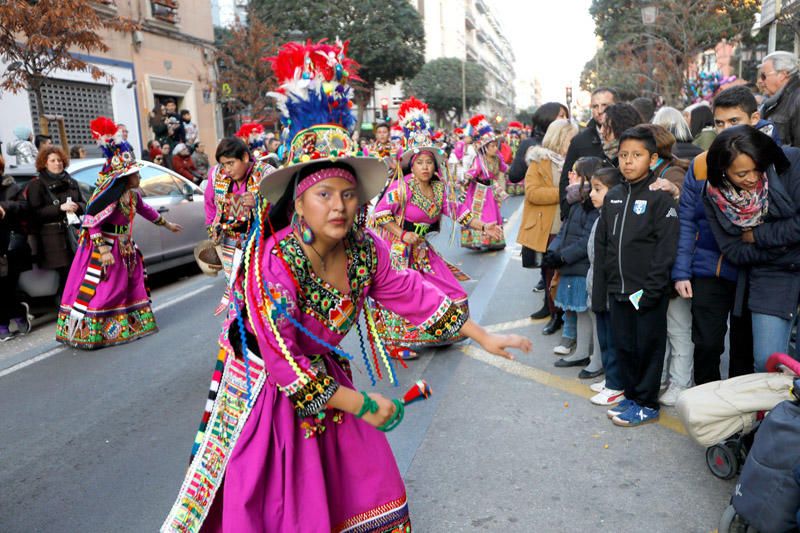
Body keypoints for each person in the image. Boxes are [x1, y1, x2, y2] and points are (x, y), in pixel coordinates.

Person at [161, 39, 531, 533]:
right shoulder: (276, 263)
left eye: (349, 194)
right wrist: (363, 404)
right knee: (283, 507)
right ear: (298, 202)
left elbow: (414, 294)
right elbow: (284, 363)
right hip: (270, 392)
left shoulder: (364, 250)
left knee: (369, 488)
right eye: (324, 194)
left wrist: (483, 336)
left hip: (329, 380)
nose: (339, 206)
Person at [368, 97, 501, 359]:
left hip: (421, 249)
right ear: (411, 165)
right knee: (401, 293)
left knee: (451, 290)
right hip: (397, 249)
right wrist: (402, 234)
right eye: (419, 162)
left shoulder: (440, 189)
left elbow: (459, 212)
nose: (425, 167)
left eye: (429, 162)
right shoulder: (401, 187)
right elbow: (380, 214)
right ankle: (395, 343)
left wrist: (484, 226)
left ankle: (442, 331)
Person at [672, 85, 778, 386]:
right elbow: (688, 220)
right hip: (708, 268)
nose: (725, 129)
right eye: (719, 123)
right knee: (706, 345)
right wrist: (681, 271)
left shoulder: (771, 159)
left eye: (734, 122)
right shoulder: (702, 163)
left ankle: (738, 420)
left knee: (744, 352)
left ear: (755, 118)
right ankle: (708, 414)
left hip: (752, 269)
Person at [56, 117, 182, 349]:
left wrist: (167, 224)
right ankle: (97, 331)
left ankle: (129, 324)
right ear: (124, 179)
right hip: (106, 248)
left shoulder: (132, 196)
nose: (140, 178)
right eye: (136, 174)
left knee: (130, 285)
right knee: (107, 288)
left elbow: (146, 211)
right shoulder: (110, 199)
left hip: (125, 247)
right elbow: (91, 221)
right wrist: (103, 251)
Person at [593, 126, 679, 427]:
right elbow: (604, 246)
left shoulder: (659, 196)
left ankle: (646, 403)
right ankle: (631, 396)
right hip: (618, 290)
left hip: (645, 292)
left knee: (648, 349)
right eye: (623, 155)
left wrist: (651, 291)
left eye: (637, 155)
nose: (628, 162)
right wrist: (604, 289)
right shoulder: (614, 196)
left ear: (653, 159)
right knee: (625, 346)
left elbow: (665, 249)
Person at [702, 126, 800, 371]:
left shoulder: (792, 162)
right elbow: (734, 250)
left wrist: (757, 235)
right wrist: (785, 245)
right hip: (770, 276)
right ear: (722, 171)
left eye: (758, 168)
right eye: (741, 174)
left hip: (780, 261)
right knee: (767, 362)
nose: (752, 178)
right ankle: (772, 411)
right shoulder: (715, 196)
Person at [641, 124, 694, 406]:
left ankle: (681, 382)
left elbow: (687, 207)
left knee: (678, 329)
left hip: (673, 266)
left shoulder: (670, 172)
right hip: (656, 268)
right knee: (659, 327)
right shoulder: (650, 172)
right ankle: (662, 377)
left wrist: (674, 190)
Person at [518, 119, 578, 334]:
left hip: (571, 227)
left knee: (570, 276)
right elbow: (532, 193)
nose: (574, 143)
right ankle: (555, 316)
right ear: (559, 138)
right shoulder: (539, 161)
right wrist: (565, 191)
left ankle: (569, 317)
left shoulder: (575, 162)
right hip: (548, 230)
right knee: (550, 275)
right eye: (571, 139)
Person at [544, 156, 603, 367]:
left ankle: (593, 357)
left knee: (586, 312)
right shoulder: (576, 203)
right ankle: (581, 352)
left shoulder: (591, 207)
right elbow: (565, 231)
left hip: (582, 267)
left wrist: (562, 255)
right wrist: (552, 252)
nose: (570, 176)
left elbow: (586, 240)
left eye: (575, 173)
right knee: (578, 312)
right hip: (571, 265)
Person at [204, 137, 273, 315]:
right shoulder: (216, 174)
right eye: (223, 165)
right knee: (236, 287)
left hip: (261, 242)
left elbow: (283, 205)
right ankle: (237, 328)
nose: (226, 170)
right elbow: (210, 204)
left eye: (230, 163)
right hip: (229, 243)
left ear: (244, 157)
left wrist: (259, 202)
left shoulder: (266, 173)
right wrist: (212, 228)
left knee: (262, 286)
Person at [586, 167, 625, 405]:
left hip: (610, 289)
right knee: (605, 338)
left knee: (614, 338)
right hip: (598, 286)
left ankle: (616, 384)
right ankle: (611, 379)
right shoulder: (602, 216)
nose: (591, 194)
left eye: (598, 189)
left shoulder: (614, 218)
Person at [26, 146, 85, 278]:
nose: (57, 163)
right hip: (52, 242)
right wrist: (60, 208)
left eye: (59, 160)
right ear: (44, 163)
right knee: (63, 280)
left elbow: (85, 204)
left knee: (78, 276)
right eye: (52, 160)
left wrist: (78, 206)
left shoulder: (71, 181)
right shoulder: (37, 185)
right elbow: (35, 213)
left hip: (74, 236)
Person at [559, 88, 618, 216]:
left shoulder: (627, 136)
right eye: (595, 106)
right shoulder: (580, 140)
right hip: (585, 213)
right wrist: (566, 212)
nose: (600, 110)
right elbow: (565, 179)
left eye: (605, 105)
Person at [461, 114, 508, 251]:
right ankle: (478, 241)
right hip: (478, 191)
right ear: (485, 147)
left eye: (495, 145)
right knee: (480, 215)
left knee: (493, 215)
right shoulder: (479, 159)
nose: (495, 148)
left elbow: (504, 168)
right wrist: (466, 178)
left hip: (490, 190)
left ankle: (493, 240)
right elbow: (473, 171)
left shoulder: (497, 158)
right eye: (492, 146)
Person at [0, 155, 32, 341]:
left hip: (9, 244)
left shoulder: (9, 185)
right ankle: (3, 324)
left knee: (7, 286)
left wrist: (3, 207)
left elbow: (23, 206)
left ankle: (19, 313)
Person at [758, 51, 800, 147]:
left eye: (763, 76)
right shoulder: (774, 101)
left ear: (782, 75)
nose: (760, 81)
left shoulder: (797, 99)